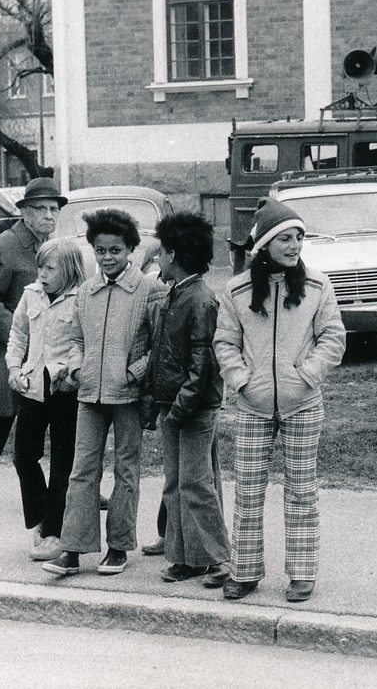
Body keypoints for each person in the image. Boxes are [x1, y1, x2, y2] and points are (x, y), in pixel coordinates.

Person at [213, 198, 346, 603]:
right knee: (248, 490)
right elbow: (225, 343)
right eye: (285, 238)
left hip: (302, 403)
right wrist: (241, 382)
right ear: (265, 243)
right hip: (252, 405)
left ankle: (302, 573)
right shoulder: (235, 291)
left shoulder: (318, 287)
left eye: (299, 237)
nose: (294, 245)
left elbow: (333, 338)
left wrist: (307, 375)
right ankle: (246, 570)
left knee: (301, 489)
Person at [42, 209, 165, 577]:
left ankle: (118, 547)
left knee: (126, 471)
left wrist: (134, 371)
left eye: (115, 249)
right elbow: (77, 338)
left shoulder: (148, 290)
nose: (107, 257)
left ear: (130, 249)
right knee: (82, 471)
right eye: (100, 250)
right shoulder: (86, 291)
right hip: (89, 395)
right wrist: (78, 368)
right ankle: (73, 549)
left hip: (127, 396)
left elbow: (156, 345)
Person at [0, 177, 65, 514]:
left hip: (50, 354)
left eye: (54, 209)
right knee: (0, 417)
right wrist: (20, 339)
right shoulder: (5, 245)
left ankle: (74, 486)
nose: (49, 215)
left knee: (61, 418)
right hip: (11, 352)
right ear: (25, 212)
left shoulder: (53, 247)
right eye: (41, 209)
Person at [149, 212, 231, 585]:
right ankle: (185, 556)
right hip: (175, 406)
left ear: (173, 255)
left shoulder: (200, 299)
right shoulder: (176, 293)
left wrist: (179, 408)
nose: (157, 261)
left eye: (160, 253)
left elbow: (203, 365)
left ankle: (218, 559)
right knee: (175, 483)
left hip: (194, 409)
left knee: (196, 483)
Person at [6, 237, 86, 561]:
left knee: (63, 463)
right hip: (33, 385)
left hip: (66, 389)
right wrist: (13, 367)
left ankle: (54, 532)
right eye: (39, 266)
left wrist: (70, 371)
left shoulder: (82, 298)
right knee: (24, 455)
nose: (42, 273)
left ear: (67, 269)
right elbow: (18, 333)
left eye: (49, 267)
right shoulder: (30, 294)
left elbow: (85, 341)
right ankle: (41, 518)